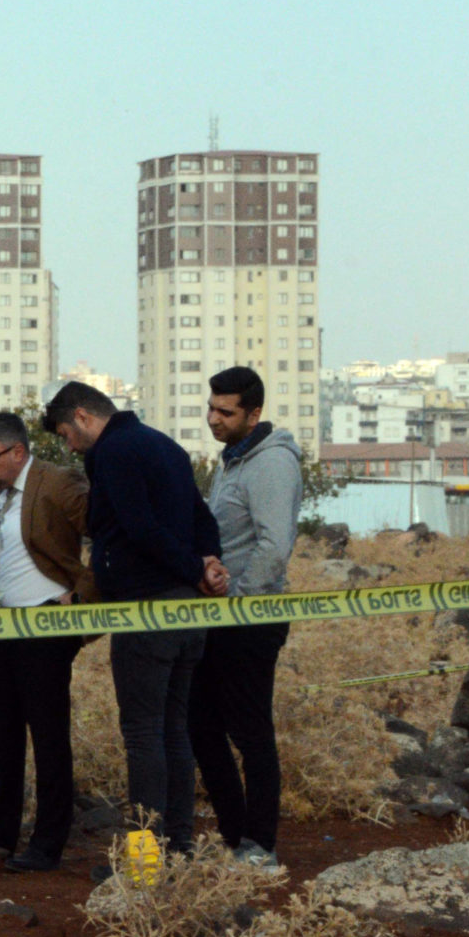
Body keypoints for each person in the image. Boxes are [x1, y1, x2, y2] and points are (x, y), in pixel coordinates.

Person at [42, 381, 226, 859]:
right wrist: (208, 566)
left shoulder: (114, 452)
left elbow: (138, 527)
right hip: (188, 611)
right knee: (174, 729)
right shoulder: (163, 444)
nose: (69, 445)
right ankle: (179, 848)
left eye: (66, 434)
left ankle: (146, 859)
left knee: (144, 734)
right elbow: (200, 516)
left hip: (146, 610)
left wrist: (192, 568)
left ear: (82, 416)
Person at [0, 412, 94, 873]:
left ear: (17, 452)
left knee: (49, 737)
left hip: (44, 625)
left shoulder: (58, 482)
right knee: (1, 735)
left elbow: (111, 535)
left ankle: (48, 842)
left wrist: (79, 600)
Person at [193, 366, 304, 872]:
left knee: (251, 732)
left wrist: (238, 599)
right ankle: (235, 836)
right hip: (221, 616)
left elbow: (274, 546)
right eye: (211, 408)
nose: (214, 419)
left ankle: (260, 844)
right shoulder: (232, 461)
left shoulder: (272, 465)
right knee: (201, 724)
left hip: (251, 619)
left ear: (253, 414)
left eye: (226, 411)